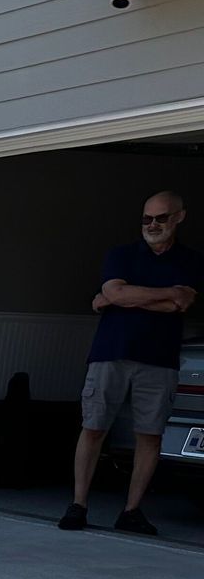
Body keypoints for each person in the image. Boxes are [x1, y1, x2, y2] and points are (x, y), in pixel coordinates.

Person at [61, 190, 202, 535]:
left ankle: (131, 511)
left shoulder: (190, 260)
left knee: (150, 435)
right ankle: (78, 505)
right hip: (111, 352)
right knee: (93, 427)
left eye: (161, 218)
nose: (153, 225)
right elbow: (117, 292)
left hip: (160, 359)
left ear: (179, 217)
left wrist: (120, 298)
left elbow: (178, 305)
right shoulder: (121, 254)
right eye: (147, 218)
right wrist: (164, 292)